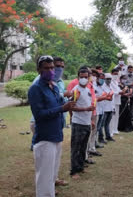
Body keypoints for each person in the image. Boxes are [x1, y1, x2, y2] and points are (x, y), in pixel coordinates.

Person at [28, 55, 75, 197]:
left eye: (52, 68)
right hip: (45, 137)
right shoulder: (35, 88)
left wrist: (69, 101)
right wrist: (62, 108)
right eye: (46, 68)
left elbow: (59, 102)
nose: (50, 71)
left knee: (51, 173)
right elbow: (40, 114)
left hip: (56, 135)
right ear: (39, 70)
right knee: (44, 177)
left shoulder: (53, 86)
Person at [70, 68, 95, 179]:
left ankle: (80, 166)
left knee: (83, 147)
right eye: (81, 77)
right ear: (78, 77)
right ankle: (73, 170)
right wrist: (86, 109)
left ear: (89, 77)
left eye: (86, 77)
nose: (84, 79)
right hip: (78, 123)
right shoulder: (76, 90)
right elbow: (72, 107)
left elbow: (89, 105)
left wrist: (90, 120)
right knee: (76, 147)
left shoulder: (88, 90)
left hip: (86, 123)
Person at [98, 73, 114, 143]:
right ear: (104, 79)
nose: (109, 80)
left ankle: (108, 136)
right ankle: (100, 138)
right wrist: (107, 97)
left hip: (110, 107)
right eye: (107, 79)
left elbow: (111, 97)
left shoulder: (110, 86)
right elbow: (104, 96)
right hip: (104, 108)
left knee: (107, 124)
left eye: (110, 79)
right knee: (101, 124)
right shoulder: (102, 86)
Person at [109, 68, 121, 137]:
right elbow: (112, 91)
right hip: (112, 100)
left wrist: (122, 91)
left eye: (117, 74)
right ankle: (111, 130)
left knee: (116, 115)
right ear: (112, 73)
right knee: (112, 116)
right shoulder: (109, 81)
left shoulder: (116, 82)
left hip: (117, 100)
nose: (116, 75)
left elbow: (118, 90)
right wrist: (119, 92)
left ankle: (115, 129)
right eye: (115, 74)